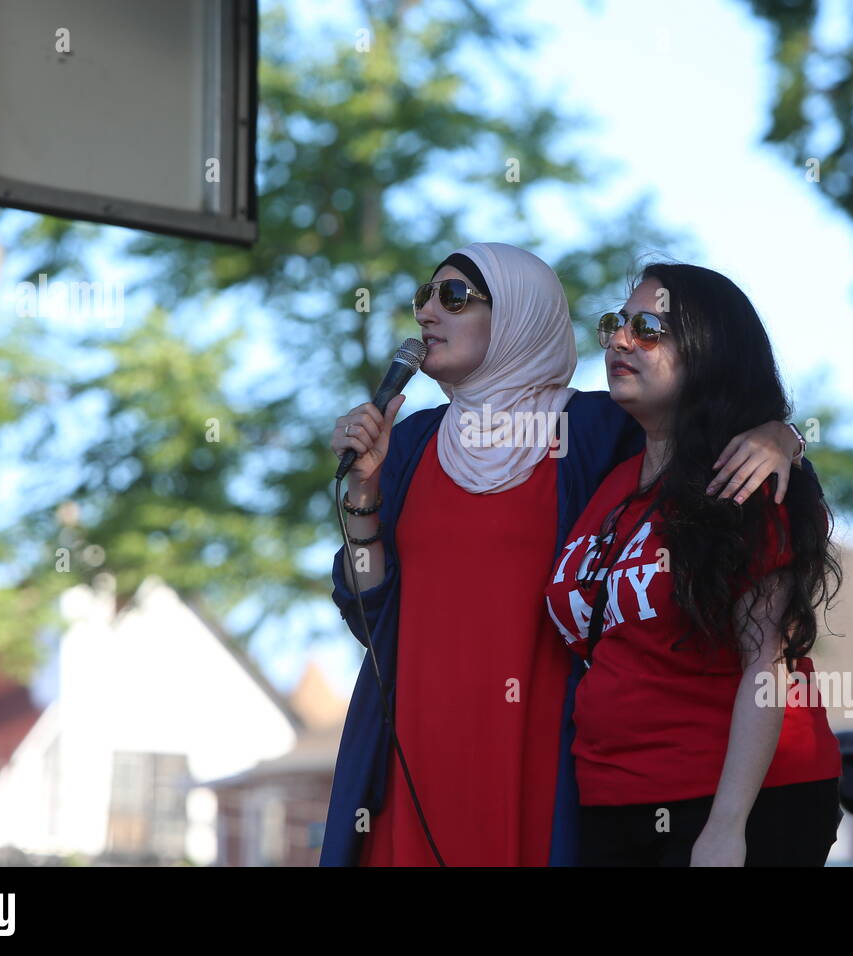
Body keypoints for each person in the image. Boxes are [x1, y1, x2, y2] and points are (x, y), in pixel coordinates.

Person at [321, 242, 813, 866]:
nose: (424, 314)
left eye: (453, 297)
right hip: (412, 745)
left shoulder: (593, 428)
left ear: (520, 316)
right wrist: (365, 495)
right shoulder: (411, 442)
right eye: (423, 297)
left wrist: (784, 436)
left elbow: (709, 424)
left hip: (540, 749)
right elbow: (370, 607)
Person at [543, 263, 844, 867]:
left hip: (737, 803)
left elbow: (768, 665)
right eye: (616, 324)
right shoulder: (611, 479)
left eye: (650, 328)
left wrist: (727, 827)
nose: (620, 340)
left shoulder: (750, 476)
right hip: (611, 799)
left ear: (710, 351)